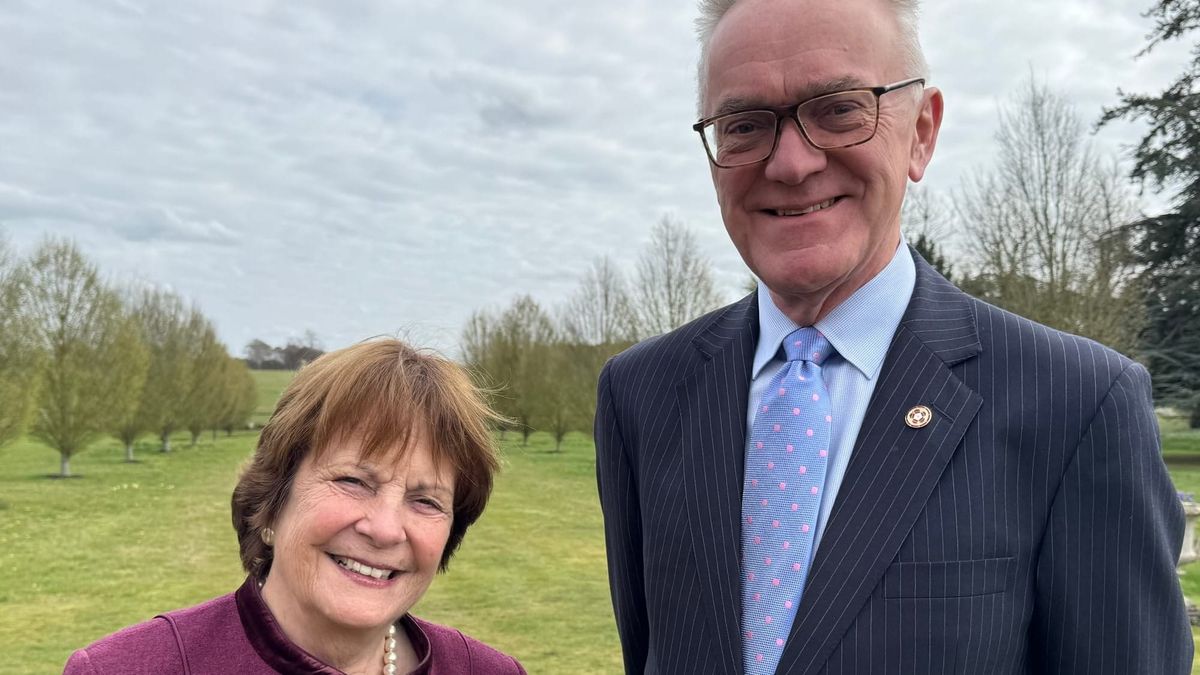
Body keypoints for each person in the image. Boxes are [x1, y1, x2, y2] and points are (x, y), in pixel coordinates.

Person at [594, 0, 1193, 673]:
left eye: (839, 109)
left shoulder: (1078, 404)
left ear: (921, 132)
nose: (791, 162)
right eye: (744, 124)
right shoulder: (641, 393)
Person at [65, 339, 526, 675]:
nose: (385, 529)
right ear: (271, 503)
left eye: (426, 501)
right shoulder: (128, 668)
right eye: (353, 481)